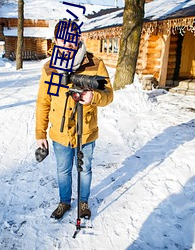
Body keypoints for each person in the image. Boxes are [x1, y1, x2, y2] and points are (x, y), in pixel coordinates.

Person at [35, 20, 113, 220]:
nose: (68, 45)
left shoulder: (95, 64)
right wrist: (40, 134)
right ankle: (64, 202)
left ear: (78, 39)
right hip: (60, 133)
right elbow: (43, 102)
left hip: (86, 131)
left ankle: (84, 202)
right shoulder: (49, 68)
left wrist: (93, 97)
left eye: (72, 40)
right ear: (56, 40)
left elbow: (108, 95)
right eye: (63, 40)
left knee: (85, 169)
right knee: (63, 170)